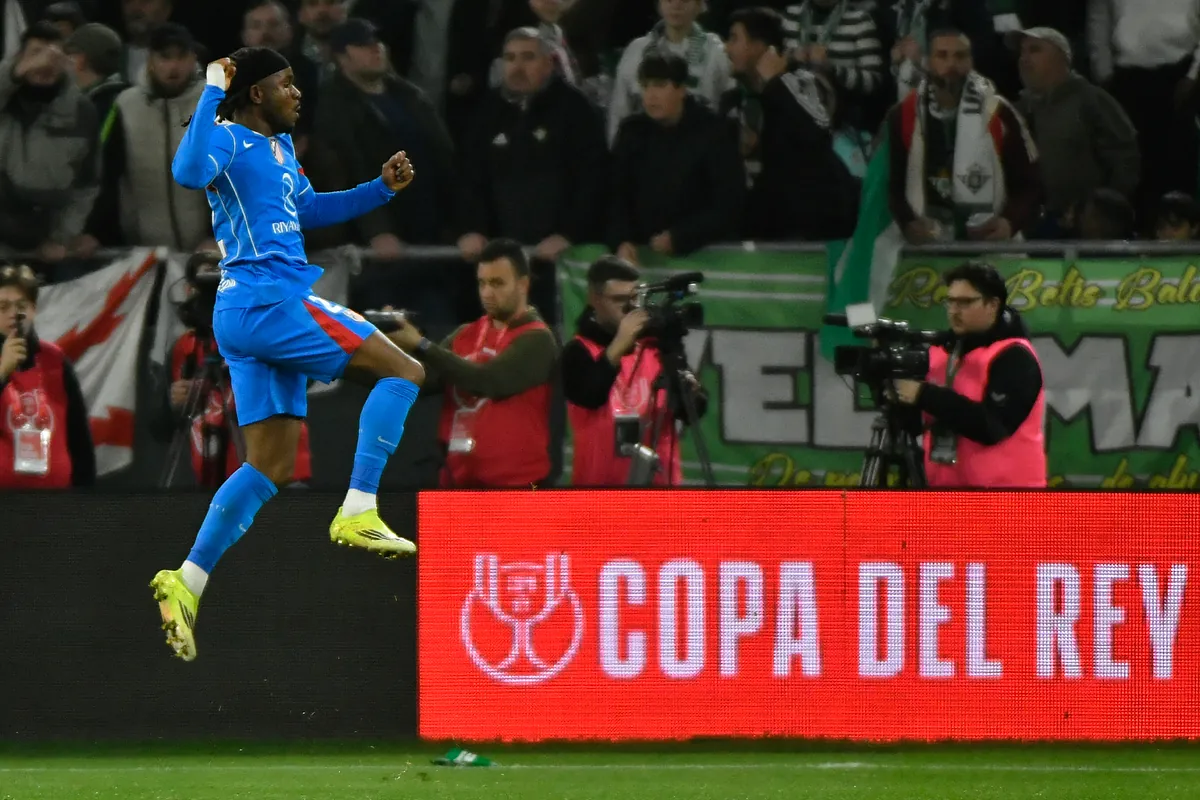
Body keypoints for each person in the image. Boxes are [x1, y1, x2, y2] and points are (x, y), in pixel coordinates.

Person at [150, 47, 426, 662]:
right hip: (268, 302)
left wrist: (379, 189)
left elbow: (308, 210)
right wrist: (211, 89)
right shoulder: (222, 135)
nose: (297, 93)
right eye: (286, 83)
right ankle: (359, 506)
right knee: (405, 369)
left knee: (269, 465)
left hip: (245, 316)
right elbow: (190, 172)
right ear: (254, 93)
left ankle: (188, 581)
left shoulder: (278, 153)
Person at [388, 238, 559, 488]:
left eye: (498, 283)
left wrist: (422, 345)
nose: (488, 293)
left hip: (516, 488)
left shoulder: (538, 339)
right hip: (457, 483)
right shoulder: (464, 335)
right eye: (482, 283)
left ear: (523, 284)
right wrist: (387, 346)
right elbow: (422, 379)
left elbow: (488, 381)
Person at [891, 261, 1046, 488]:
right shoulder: (941, 351)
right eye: (950, 301)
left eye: (965, 302)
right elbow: (919, 425)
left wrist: (924, 394)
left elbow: (992, 427)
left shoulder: (1014, 355)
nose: (954, 310)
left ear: (992, 304)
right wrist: (901, 402)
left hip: (1007, 498)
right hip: (945, 492)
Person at [563, 255, 706, 486]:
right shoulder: (578, 350)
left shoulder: (655, 346)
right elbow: (589, 395)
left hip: (659, 491)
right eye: (619, 300)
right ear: (594, 299)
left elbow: (691, 412)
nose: (629, 309)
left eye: (634, 299)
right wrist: (619, 344)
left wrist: (692, 391)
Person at [0, 263, 95, 489]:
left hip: (57, 506)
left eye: (21, 305)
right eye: (3, 307)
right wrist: (3, 371)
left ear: (33, 309)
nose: (14, 314)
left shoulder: (55, 359)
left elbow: (79, 437)